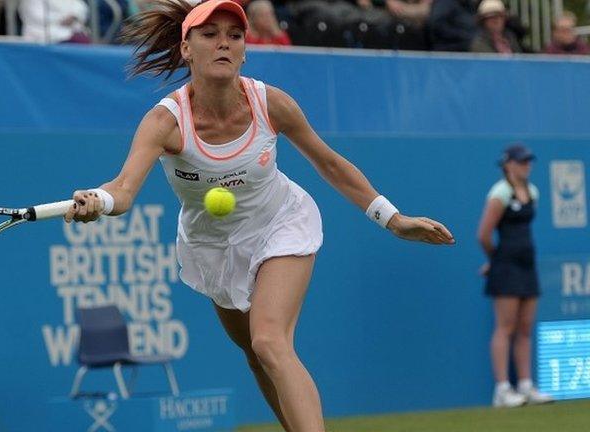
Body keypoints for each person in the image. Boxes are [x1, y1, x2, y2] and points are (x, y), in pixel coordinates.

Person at [64, 0, 455, 429]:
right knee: (254, 352)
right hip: (211, 244)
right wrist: (97, 202)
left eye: (234, 35)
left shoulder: (271, 104)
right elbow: (122, 189)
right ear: (186, 49)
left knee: (270, 341)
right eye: (209, 35)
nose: (224, 44)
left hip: (280, 224)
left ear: (245, 50)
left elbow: (329, 163)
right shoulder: (164, 122)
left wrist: (392, 218)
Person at [477, 144, 554, 408]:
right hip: (506, 267)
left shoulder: (533, 192)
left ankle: (525, 385)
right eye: (521, 162)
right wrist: (495, 261)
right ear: (508, 164)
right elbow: (484, 235)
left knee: (525, 328)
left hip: (527, 266)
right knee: (505, 327)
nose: (526, 165)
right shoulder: (499, 193)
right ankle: (502, 390)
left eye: (528, 161)